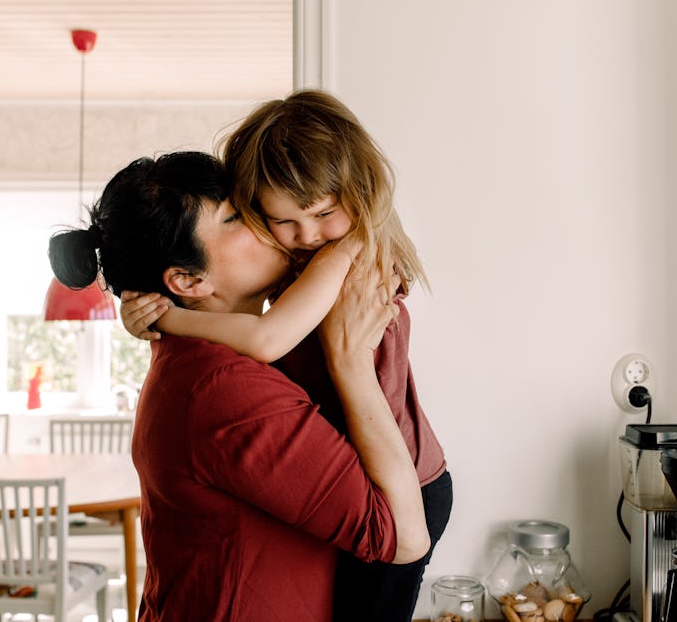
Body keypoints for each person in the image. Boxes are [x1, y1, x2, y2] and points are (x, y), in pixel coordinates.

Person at [47, 151, 430, 622]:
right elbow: (403, 538)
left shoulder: (198, 358)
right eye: (233, 217)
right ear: (187, 280)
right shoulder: (224, 389)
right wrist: (349, 361)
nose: (261, 217)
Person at [121, 90, 452, 622]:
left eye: (323, 213)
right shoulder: (302, 265)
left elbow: (267, 339)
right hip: (374, 481)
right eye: (270, 219)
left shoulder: (348, 254)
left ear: (358, 191)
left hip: (406, 483)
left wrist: (169, 319)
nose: (305, 234)